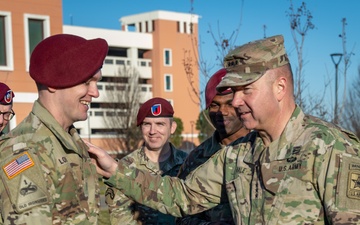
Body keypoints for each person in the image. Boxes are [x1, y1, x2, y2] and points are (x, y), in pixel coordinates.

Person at [88, 35, 360, 224]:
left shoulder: (330, 148)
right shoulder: (238, 154)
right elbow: (182, 196)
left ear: (280, 88)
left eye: (246, 91)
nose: (237, 102)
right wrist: (116, 170)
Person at [0, 34, 108, 224]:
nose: (95, 92)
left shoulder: (72, 143)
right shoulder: (24, 152)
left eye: (96, 82)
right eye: (86, 82)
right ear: (52, 83)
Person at [176, 68, 249, 225]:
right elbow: (181, 212)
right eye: (215, 105)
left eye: (230, 104)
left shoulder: (262, 147)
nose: (222, 111)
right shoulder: (196, 158)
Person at [105, 97, 188, 225]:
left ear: (172, 127)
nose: (153, 131)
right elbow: (120, 217)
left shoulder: (188, 163)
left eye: (160, 124)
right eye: (147, 124)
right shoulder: (125, 167)